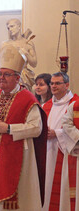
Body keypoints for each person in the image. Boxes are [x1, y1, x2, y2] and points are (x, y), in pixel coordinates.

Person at [0, 44, 47, 211]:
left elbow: (36, 128)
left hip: (17, 157)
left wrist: (8, 129)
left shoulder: (27, 99)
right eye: (0, 74)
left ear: (18, 77)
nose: (1, 78)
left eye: (6, 75)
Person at [42, 72, 79, 211]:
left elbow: (73, 128)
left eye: (57, 83)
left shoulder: (75, 104)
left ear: (67, 85)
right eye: (52, 83)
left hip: (65, 152)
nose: (53, 86)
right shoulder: (46, 105)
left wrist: (56, 133)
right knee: (47, 184)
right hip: (47, 151)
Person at [0, 18, 37, 94]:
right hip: (5, 75)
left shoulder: (28, 43)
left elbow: (34, 63)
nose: (10, 29)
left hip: (22, 75)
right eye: (8, 28)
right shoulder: (5, 44)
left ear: (19, 26)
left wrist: (26, 53)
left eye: (12, 26)